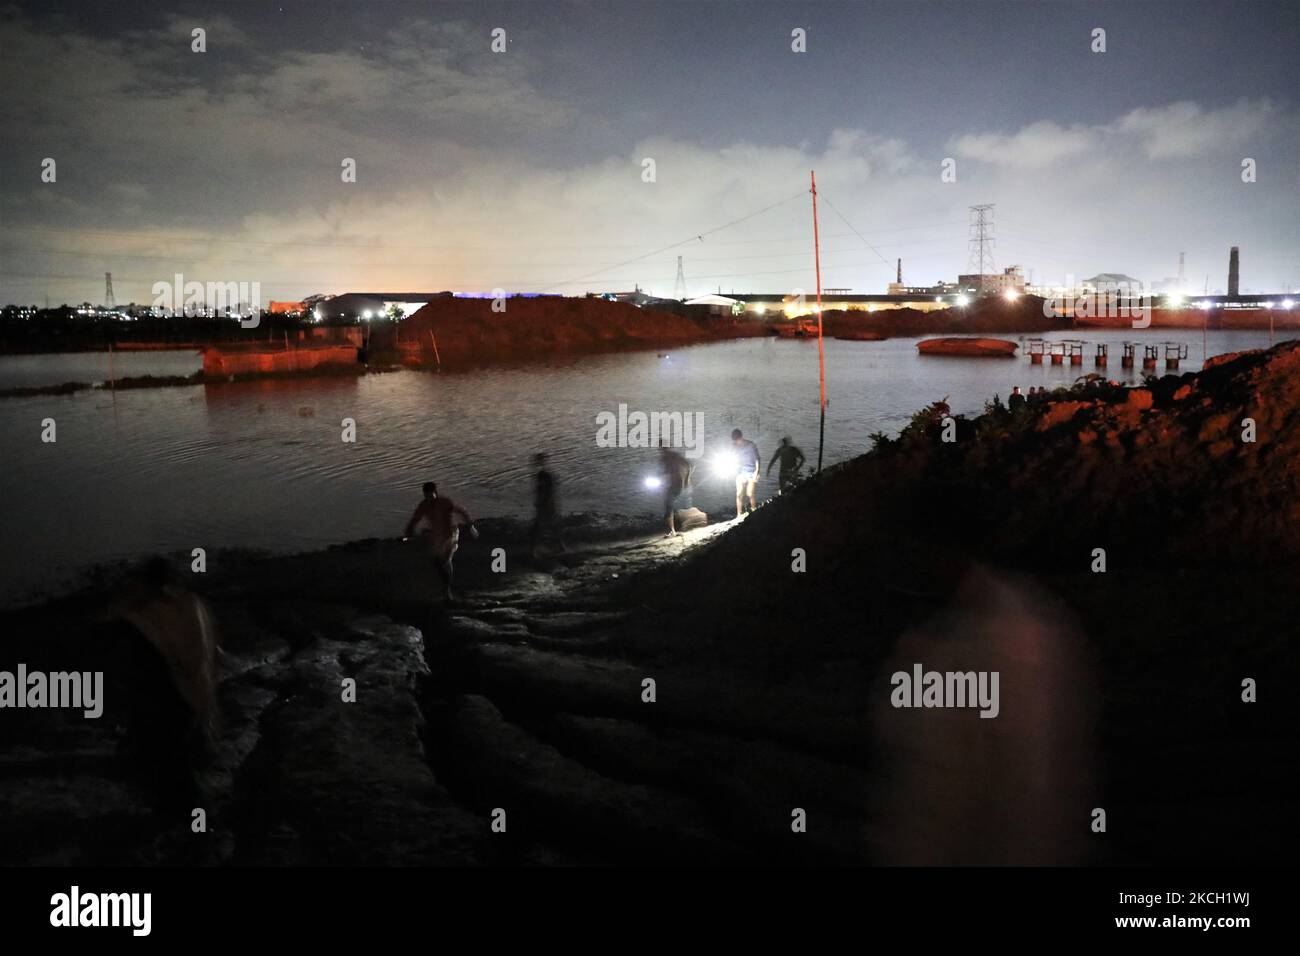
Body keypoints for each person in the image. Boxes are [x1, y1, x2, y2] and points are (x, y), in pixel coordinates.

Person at [402, 481, 477, 600]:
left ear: (435, 493)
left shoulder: (445, 502)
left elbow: (461, 511)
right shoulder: (424, 505)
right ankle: (442, 586)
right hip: (437, 535)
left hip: (450, 533)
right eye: (426, 496)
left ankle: (447, 591)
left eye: (431, 496)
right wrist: (407, 533)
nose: (429, 499)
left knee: (445, 560)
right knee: (435, 561)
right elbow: (415, 519)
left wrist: (471, 526)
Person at [530, 453, 566, 557]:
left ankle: (536, 550)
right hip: (547, 505)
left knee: (539, 527)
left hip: (546, 506)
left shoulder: (543, 475)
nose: (534, 464)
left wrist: (541, 504)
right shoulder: (545, 475)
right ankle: (559, 546)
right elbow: (549, 491)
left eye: (536, 461)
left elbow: (547, 492)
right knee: (550, 526)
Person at [658, 443, 693, 536]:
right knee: (669, 505)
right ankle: (673, 529)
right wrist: (662, 480)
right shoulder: (664, 459)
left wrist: (687, 479)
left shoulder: (674, 456)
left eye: (664, 448)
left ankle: (673, 530)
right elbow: (666, 472)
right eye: (661, 448)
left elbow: (689, 465)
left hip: (678, 484)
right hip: (671, 484)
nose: (663, 450)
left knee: (669, 505)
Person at [731, 428, 760, 518]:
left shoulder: (750, 445)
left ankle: (754, 510)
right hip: (740, 472)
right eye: (735, 440)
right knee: (739, 494)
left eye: (738, 439)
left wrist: (757, 471)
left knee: (750, 493)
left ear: (741, 437)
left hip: (751, 471)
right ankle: (739, 514)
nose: (737, 442)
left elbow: (757, 459)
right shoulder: (734, 446)